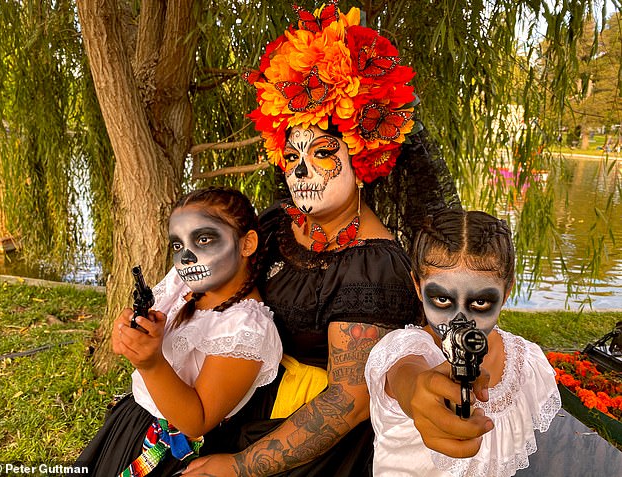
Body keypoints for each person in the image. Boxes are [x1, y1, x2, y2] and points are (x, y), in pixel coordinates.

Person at [183, 3, 489, 476]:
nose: (300, 171)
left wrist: (241, 466)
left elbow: (348, 401)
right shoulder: (275, 224)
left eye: (324, 153)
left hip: (303, 443)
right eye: (291, 155)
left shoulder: (374, 267)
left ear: (364, 159)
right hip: (239, 395)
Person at [75, 187, 283, 476]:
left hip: (173, 455)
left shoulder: (247, 329)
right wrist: (132, 336)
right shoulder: (183, 285)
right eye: (177, 245)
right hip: (131, 424)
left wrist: (150, 363)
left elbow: (196, 421)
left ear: (247, 244)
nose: (186, 257)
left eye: (204, 239)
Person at [365, 208, 562, 476]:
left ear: (506, 293)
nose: (461, 322)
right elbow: (407, 377)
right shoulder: (402, 350)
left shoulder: (528, 364)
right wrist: (418, 392)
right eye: (442, 300)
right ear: (417, 287)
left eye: (480, 302)